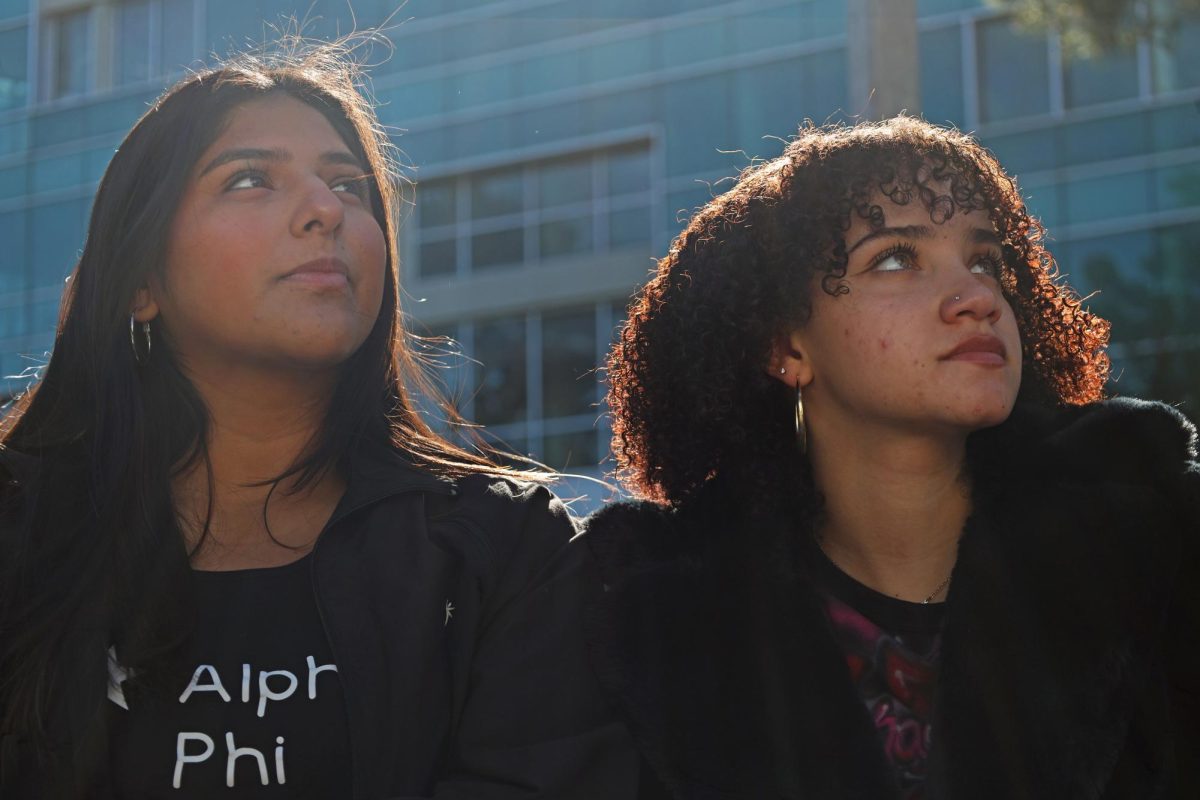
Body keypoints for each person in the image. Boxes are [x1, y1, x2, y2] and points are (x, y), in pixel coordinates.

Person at [0, 41, 636, 799]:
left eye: (349, 186)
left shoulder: (505, 551)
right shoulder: (20, 536)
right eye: (248, 179)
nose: (326, 211)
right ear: (141, 282)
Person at [582, 117, 1199, 799]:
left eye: (985, 261)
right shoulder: (655, 616)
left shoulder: (1159, 539)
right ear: (786, 349)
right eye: (896, 258)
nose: (978, 298)